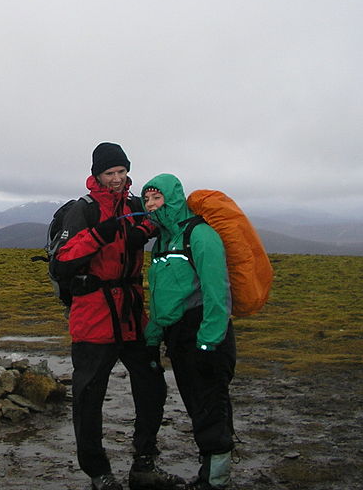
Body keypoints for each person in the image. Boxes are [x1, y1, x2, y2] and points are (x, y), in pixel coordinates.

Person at [51, 142, 182, 490]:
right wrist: (99, 234)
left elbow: (161, 220)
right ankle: (98, 473)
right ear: (97, 175)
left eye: (122, 172)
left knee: (152, 385)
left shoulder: (136, 205)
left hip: (131, 313)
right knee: (89, 395)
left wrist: (147, 230)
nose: (117, 179)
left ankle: (144, 463)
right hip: (93, 314)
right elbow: (62, 261)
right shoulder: (85, 210)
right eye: (110, 173)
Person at [141, 174, 236, 490]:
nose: (152, 205)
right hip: (178, 337)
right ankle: (210, 470)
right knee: (199, 405)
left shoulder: (200, 235)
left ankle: (215, 480)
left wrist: (209, 341)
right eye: (148, 199)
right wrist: (154, 333)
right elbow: (160, 293)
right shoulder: (163, 241)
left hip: (204, 334)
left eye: (158, 198)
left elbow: (217, 292)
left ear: (174, 198)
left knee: (210, 405)